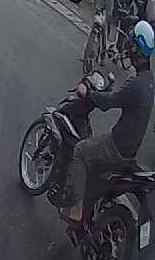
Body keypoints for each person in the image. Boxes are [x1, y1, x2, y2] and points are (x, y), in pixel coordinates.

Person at [62, 19, 155, 222]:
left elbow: (109, 102)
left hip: (116, 147)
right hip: (130, 150)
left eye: (131, 43)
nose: (127, 47)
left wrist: (88, 93)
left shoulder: (136, 84)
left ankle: (75, 209)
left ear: (136, 49)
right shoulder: (148, 81)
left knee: (80, 150)